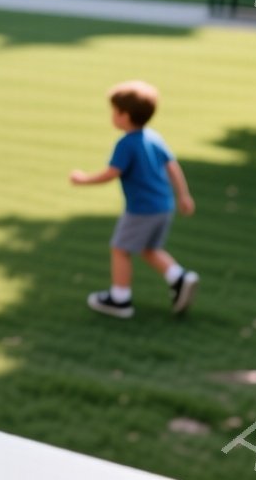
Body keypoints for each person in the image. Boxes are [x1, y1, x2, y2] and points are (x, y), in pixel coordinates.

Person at [71, 80, 199, 319]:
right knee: (149, 249)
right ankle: (179, 278)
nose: (112, 116)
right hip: (164, 205)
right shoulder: (154, 137)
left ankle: (120, 299)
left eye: (114, 111)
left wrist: (83, 180)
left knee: (120, 249)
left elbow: (112, 173)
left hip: (142, 209)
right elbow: (172, 166)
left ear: (124, 115)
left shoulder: (126, 144)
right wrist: (184, 195)